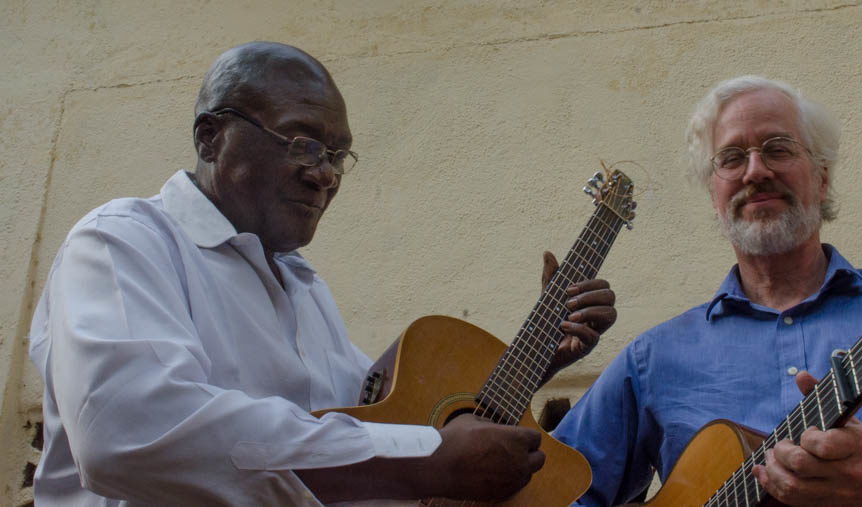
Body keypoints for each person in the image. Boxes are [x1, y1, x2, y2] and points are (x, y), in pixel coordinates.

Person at [28, 41, 617, 505]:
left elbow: (378, 422)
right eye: (302, 143)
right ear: (211, 138)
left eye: (337, 157)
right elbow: (126, 433)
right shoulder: (123, 241)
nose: (326, 174)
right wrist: (424, 460)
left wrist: (526, 365)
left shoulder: (302, 288)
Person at [554, 75, 862, 505]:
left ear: (821, 179)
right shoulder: (652, 358)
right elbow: (555, 490)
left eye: (778, 149)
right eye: (732, 158)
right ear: (714, 197)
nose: (755, 171)